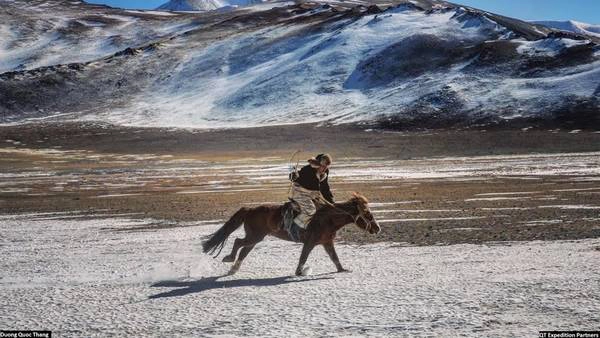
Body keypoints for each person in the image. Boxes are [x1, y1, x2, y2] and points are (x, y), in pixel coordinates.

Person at [290, 153, 334, 229]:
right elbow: (296, 177)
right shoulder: (307, 169)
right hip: (300, 193)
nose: (324, 169)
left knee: (324, 208)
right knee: (311, 210)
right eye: (323, 166)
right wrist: (293, 176)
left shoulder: (325, 172)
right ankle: (295, 226)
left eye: (326, 167)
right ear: (317, 164)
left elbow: (325, 188)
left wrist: (331, 202)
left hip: (313, 194)